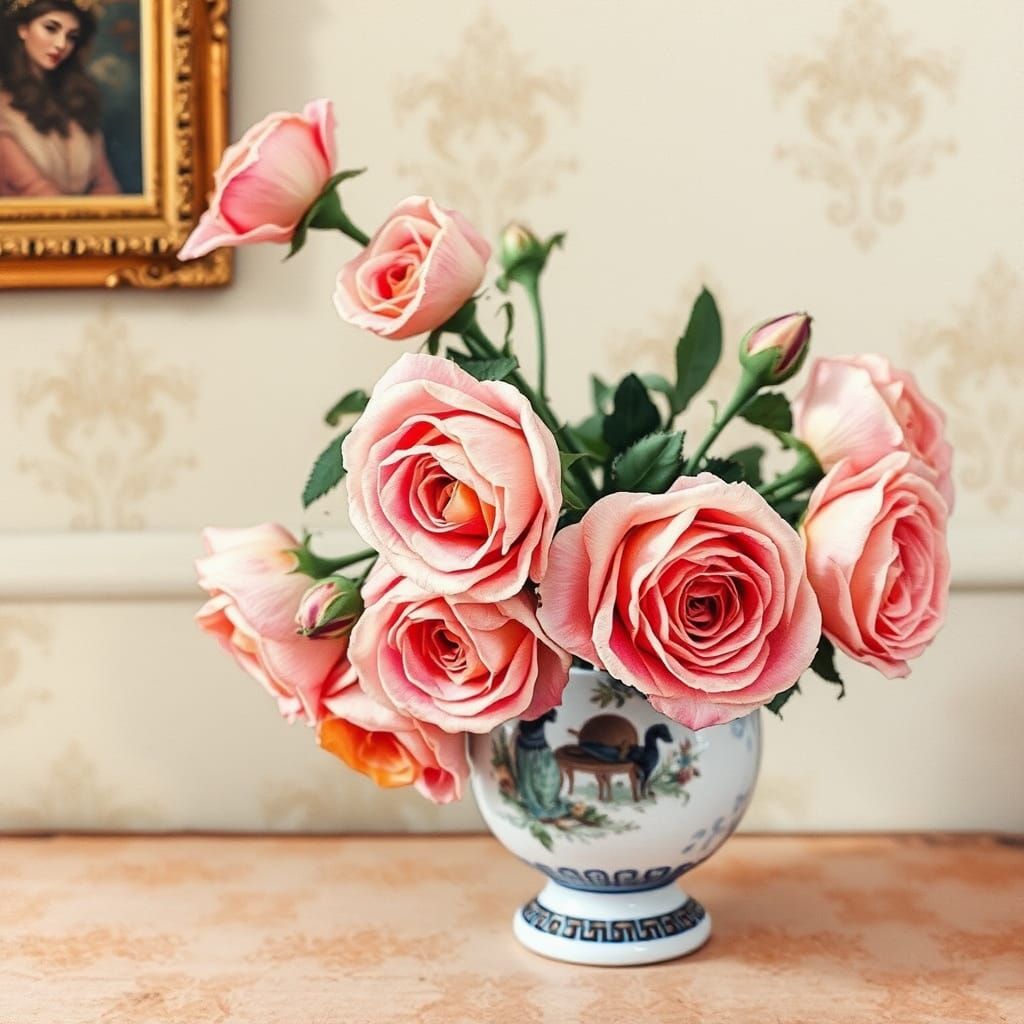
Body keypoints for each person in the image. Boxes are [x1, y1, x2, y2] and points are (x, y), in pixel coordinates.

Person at [0, 0, 119, 196]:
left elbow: (106, 184)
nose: (61, 44)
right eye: (50, 28)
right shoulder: (3, 110)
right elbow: (36, 190)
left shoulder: (77, 101)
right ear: (23, 29)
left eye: (71, 37)